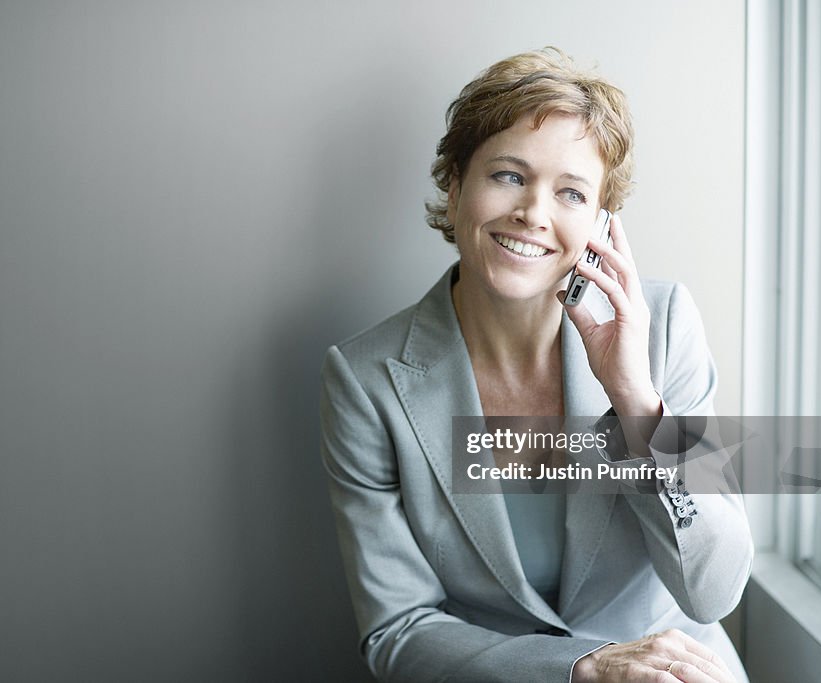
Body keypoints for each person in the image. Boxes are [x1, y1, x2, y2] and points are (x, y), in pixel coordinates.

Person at [319, 47, 753, 682]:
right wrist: (580, 668)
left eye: (571, 192)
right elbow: (398, 630)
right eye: (507, 176)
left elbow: (713, 592)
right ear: (454, 183)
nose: (534, 213)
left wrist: (634, 396)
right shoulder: (365, 381)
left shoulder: (664, 328)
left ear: (601, 223)